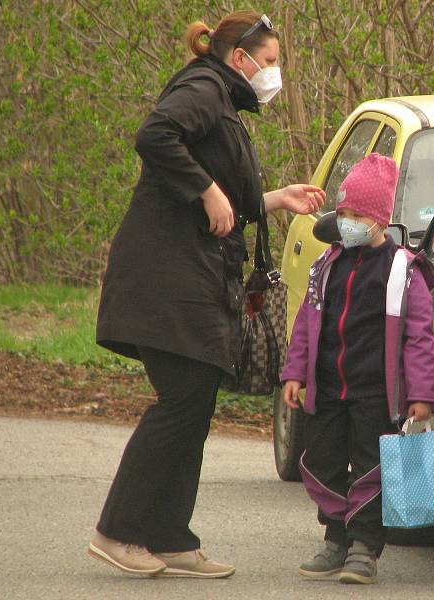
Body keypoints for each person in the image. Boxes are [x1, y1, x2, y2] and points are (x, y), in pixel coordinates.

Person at [87, 11, 325, 579]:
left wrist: (272, 199)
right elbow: (154, 136)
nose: (274, 74)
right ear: (239, 57)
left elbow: (224, 209)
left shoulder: (223, 105)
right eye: (268, 62)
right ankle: (117, 531)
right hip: (165, 282)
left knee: (192, 404)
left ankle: (170, 538)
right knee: (180, 403)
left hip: (191, 278)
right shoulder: (203, 87)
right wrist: (206, 189)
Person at [281, 153, 434, 585]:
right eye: (341, 212)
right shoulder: (327, 265)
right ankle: (336, 539)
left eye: (353, 214)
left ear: (377, 220)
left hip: (375, 394)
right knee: (322, 462)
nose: (344, 221)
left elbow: (420, 337)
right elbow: (307, 324)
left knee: (372, 469)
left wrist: (422, 395)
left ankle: (365, 548)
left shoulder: (404, 272)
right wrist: (294, 372)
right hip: (328, 389)